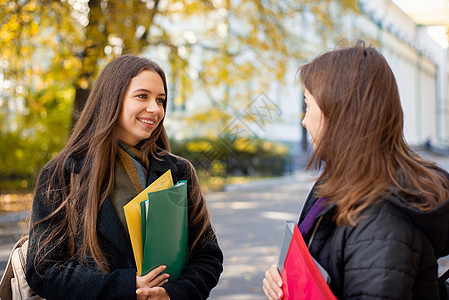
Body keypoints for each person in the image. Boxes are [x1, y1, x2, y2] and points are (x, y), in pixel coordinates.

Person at [25, 54, 223, 300]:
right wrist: (128, 288)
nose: (155, 109)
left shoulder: (179, 172)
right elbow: (43, 270)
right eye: (142, 96)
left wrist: (173, 294)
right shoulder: (63, 174)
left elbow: (208, 255)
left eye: (160, 100)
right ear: (112, 98)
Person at [262, 40, 449, 299]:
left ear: (339, 111)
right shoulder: (340, 183)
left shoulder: (383, 219)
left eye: (307, 105)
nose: (304, 121)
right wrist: (284, 283)